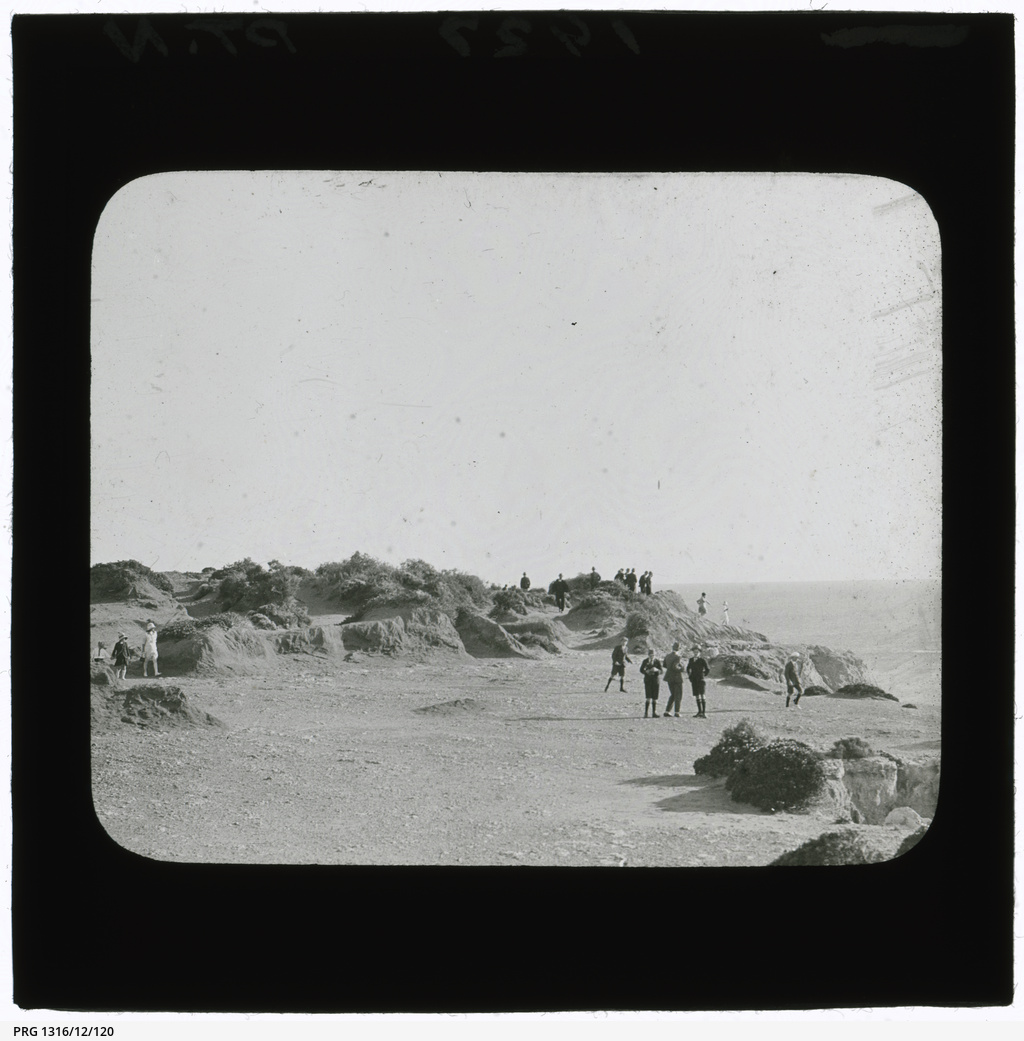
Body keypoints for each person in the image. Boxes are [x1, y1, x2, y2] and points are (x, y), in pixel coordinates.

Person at [662, 641, 685, 717]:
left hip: (669, 677)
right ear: (679, 649)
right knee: (678, 695)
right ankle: (677, 712)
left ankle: (667, 711)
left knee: (672, 694)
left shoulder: (667, 656)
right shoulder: (678, 657)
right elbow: (675, 667)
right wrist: (682, 668)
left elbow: (664, 665)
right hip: (677, 678)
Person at [686, 646, 710, 718]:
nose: (696, 653)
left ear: (699, 652)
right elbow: (688, 668)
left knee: (702, 694)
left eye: (697, 652)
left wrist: (703, 675)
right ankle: (699, 712)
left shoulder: (702, 660)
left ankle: (704, 712)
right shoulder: (691, 660)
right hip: (694, 680)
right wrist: (690, 676)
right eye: (694, 652)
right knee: (696, 695)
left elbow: (707, 669)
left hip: (701, 679)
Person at [640, 649, 663, 718]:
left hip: (655, 681)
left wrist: (657, 670)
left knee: (655, 697)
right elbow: (641, 669)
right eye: (650, 655)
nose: (651, 656)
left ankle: (654, 712)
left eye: (653, 655)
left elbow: (661, 671)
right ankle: (646, 713)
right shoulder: (645, 661)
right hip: (648, 680)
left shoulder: (657, 661)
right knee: (648, 697)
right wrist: (646, 671)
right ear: (648, 655)